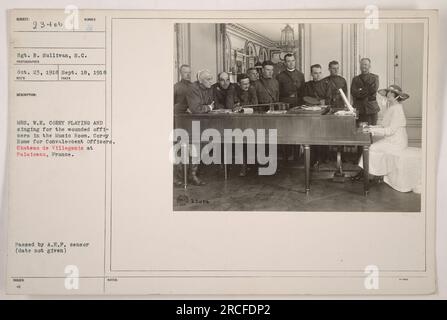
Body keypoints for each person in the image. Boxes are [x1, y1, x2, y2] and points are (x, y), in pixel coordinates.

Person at [353, 85, 410, 190]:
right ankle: (372, 174)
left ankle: (371, 175)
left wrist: (371, 130)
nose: (388, 95)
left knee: (372, 148)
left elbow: (389, 131)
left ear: (397, 96)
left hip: (397, 142)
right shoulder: (392, 107)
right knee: (373, 147)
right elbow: (384, 126)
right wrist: (370, 127)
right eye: (388, 92)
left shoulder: (397, 109)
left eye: (391, 93)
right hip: (392, 139)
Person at [179, 70, 216, 186]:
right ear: (200, 81)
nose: (211, 81)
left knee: (203, 145)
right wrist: (208, 108)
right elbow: (196, 109)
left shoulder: (208, 88)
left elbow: (207, 104)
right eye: (208, 79)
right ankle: (190, 176)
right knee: (195, 147)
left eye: (211, 78)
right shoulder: (193, 88)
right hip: (185, 121)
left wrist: (205, 107)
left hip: (198, 121)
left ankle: (192, 173)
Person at [351, 58, 380, 125]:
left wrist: (360, 90)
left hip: (372, 109)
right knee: (359, 131)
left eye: (365, 64)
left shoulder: (375, 77)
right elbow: (354, 93)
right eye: (362, 64)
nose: (363, 66)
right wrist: (366, 90)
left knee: (371, 131)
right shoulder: (355, 79)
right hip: (359, 109)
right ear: (360, 66)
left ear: (369, 66)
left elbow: (372, 90)